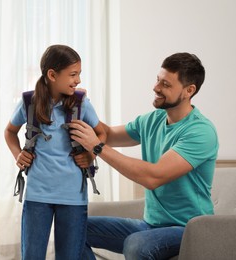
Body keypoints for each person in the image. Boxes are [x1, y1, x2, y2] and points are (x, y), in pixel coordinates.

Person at [69, 52, 219, 260]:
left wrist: (97, 148)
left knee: (137, 244)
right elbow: (110, 135)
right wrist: (83, 105)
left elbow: (153, 177)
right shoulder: (153, 120)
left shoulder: (200, 131)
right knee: (73, 228)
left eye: (166, 84)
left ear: (189, 90)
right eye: (158, 80)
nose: (156, 88)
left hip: (189, 228)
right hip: (151, 225)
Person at [4, 44, 106, 260]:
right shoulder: (29, 103)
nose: (78, 80)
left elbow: (102, 134)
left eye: (79, 74)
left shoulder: (81, 104)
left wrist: (91, 155)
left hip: (73, 197)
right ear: (52, 74)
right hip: (37, 195)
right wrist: (17, 155)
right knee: (32, 256)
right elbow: (9, 132)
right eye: (72, 74)